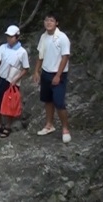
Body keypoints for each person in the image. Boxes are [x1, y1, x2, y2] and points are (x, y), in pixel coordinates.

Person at [33, 13, 72, 143]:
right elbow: (40, 55)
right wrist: (36, 71)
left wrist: (58, 75)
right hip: (46, 72)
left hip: (58, 74)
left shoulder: (62, 38)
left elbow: (65, 57)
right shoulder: (43, 37)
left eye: (51, 20)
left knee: (59, 102)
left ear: (57, 23)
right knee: (47, 100)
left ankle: (65, 128)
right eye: (46, 20)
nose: (48, 23)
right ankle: (49, 124)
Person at [0, 25, 30, 138]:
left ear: (17, 37)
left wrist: (17, 78)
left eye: (11, 37)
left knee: (10, 104)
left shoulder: (22, 52)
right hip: (2, 78)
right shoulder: (3, 47)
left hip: (13, 81)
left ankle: (8, 126)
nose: (9, 39)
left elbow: (25, 68)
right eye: (8, 36)